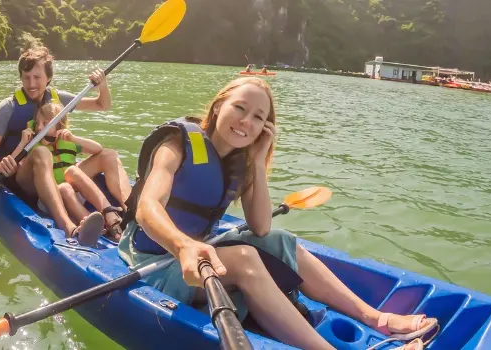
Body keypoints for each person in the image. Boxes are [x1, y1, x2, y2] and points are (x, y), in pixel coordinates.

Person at [117, 77, 438, 350]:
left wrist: (257, 159)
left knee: (278, 239)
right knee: (244, 258)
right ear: (218, 107)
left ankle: (375, 318)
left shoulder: (238, 164)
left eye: (258, 117)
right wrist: (183, 246)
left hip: (200, 256)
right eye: (240, 108)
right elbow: (148, 208)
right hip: (154, 261)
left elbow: (261, 226)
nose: (247, 121)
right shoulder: (178, 144)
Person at [0, 46, 131, 242]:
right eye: (26, 77)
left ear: (48, 78)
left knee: (108, 155)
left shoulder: (58, 99)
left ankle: (132, 211)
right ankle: (68, 227)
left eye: (37, 77)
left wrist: (102, 86)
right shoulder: (9, 107)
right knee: (42, 152)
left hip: (60, 174)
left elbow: (102, 105)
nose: (31, 84)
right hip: (24, 177)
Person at [9, 101, 109, 246]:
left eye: (45, 123)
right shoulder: (32, 147)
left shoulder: (67, 141)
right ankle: (72, 227)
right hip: (49, 199)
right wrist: (23, 143)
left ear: (59, 126)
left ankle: (94, 227)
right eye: (37, 123)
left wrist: (73, 138)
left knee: (68, 185)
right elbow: (13, 165)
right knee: (64, 188)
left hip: (70, 192)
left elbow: (98, 148)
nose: (39, 127)